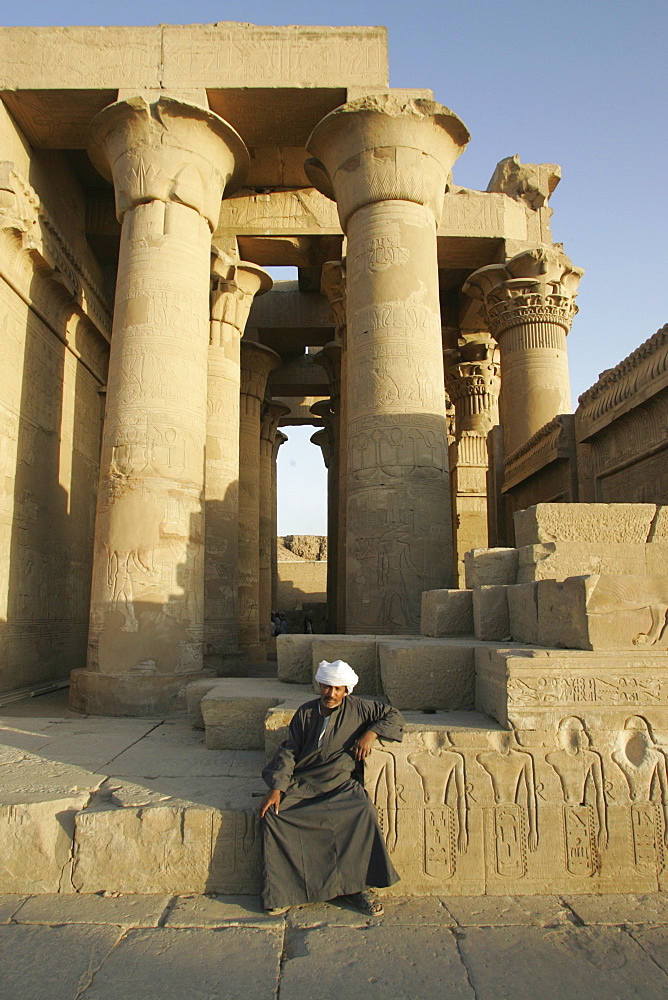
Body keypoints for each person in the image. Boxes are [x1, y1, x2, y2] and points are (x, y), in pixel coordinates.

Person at [259, 658, 404, 916]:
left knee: (363, 813)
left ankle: (358, 888)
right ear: (320, 686)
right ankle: (286, 892)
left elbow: (393, 715)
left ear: (346, 690)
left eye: (337, 689)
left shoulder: (360, 709)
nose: (331, 694)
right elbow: (290, 751)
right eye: (327, 687)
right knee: (274, 816)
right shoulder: (305, 713)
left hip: (340, 783)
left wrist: (370, 734)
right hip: (306, 783)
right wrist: (277, 788)